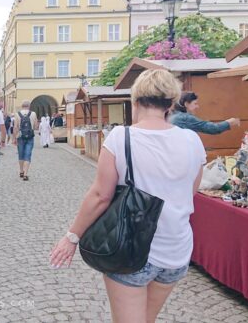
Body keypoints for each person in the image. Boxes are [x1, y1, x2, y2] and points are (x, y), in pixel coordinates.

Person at [49, 69, 206, 322]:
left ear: (135, 101)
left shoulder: (121, 137)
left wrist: (71, 237)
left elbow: (100, 195)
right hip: (176, 250)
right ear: (170, 104)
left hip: (132, 249)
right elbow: (191, 191)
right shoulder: (191, 140)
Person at [169, 91, 240, 134]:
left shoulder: (173, 116)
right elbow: (213, 128)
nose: (197, 106)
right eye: (195, 103)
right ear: (186, 104)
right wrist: (229, 122)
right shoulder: (185, 118)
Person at [12, 100, 39, 181]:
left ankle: (21, 171)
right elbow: (35, 126)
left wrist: (14, 138)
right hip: (30, 136)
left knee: (21, 154)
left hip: (20, 136)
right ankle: (26, 174)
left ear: (22, 106)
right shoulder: (33, 114)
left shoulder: (17, 114)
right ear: (29, 106)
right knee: (28, 155)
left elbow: (15, 127)